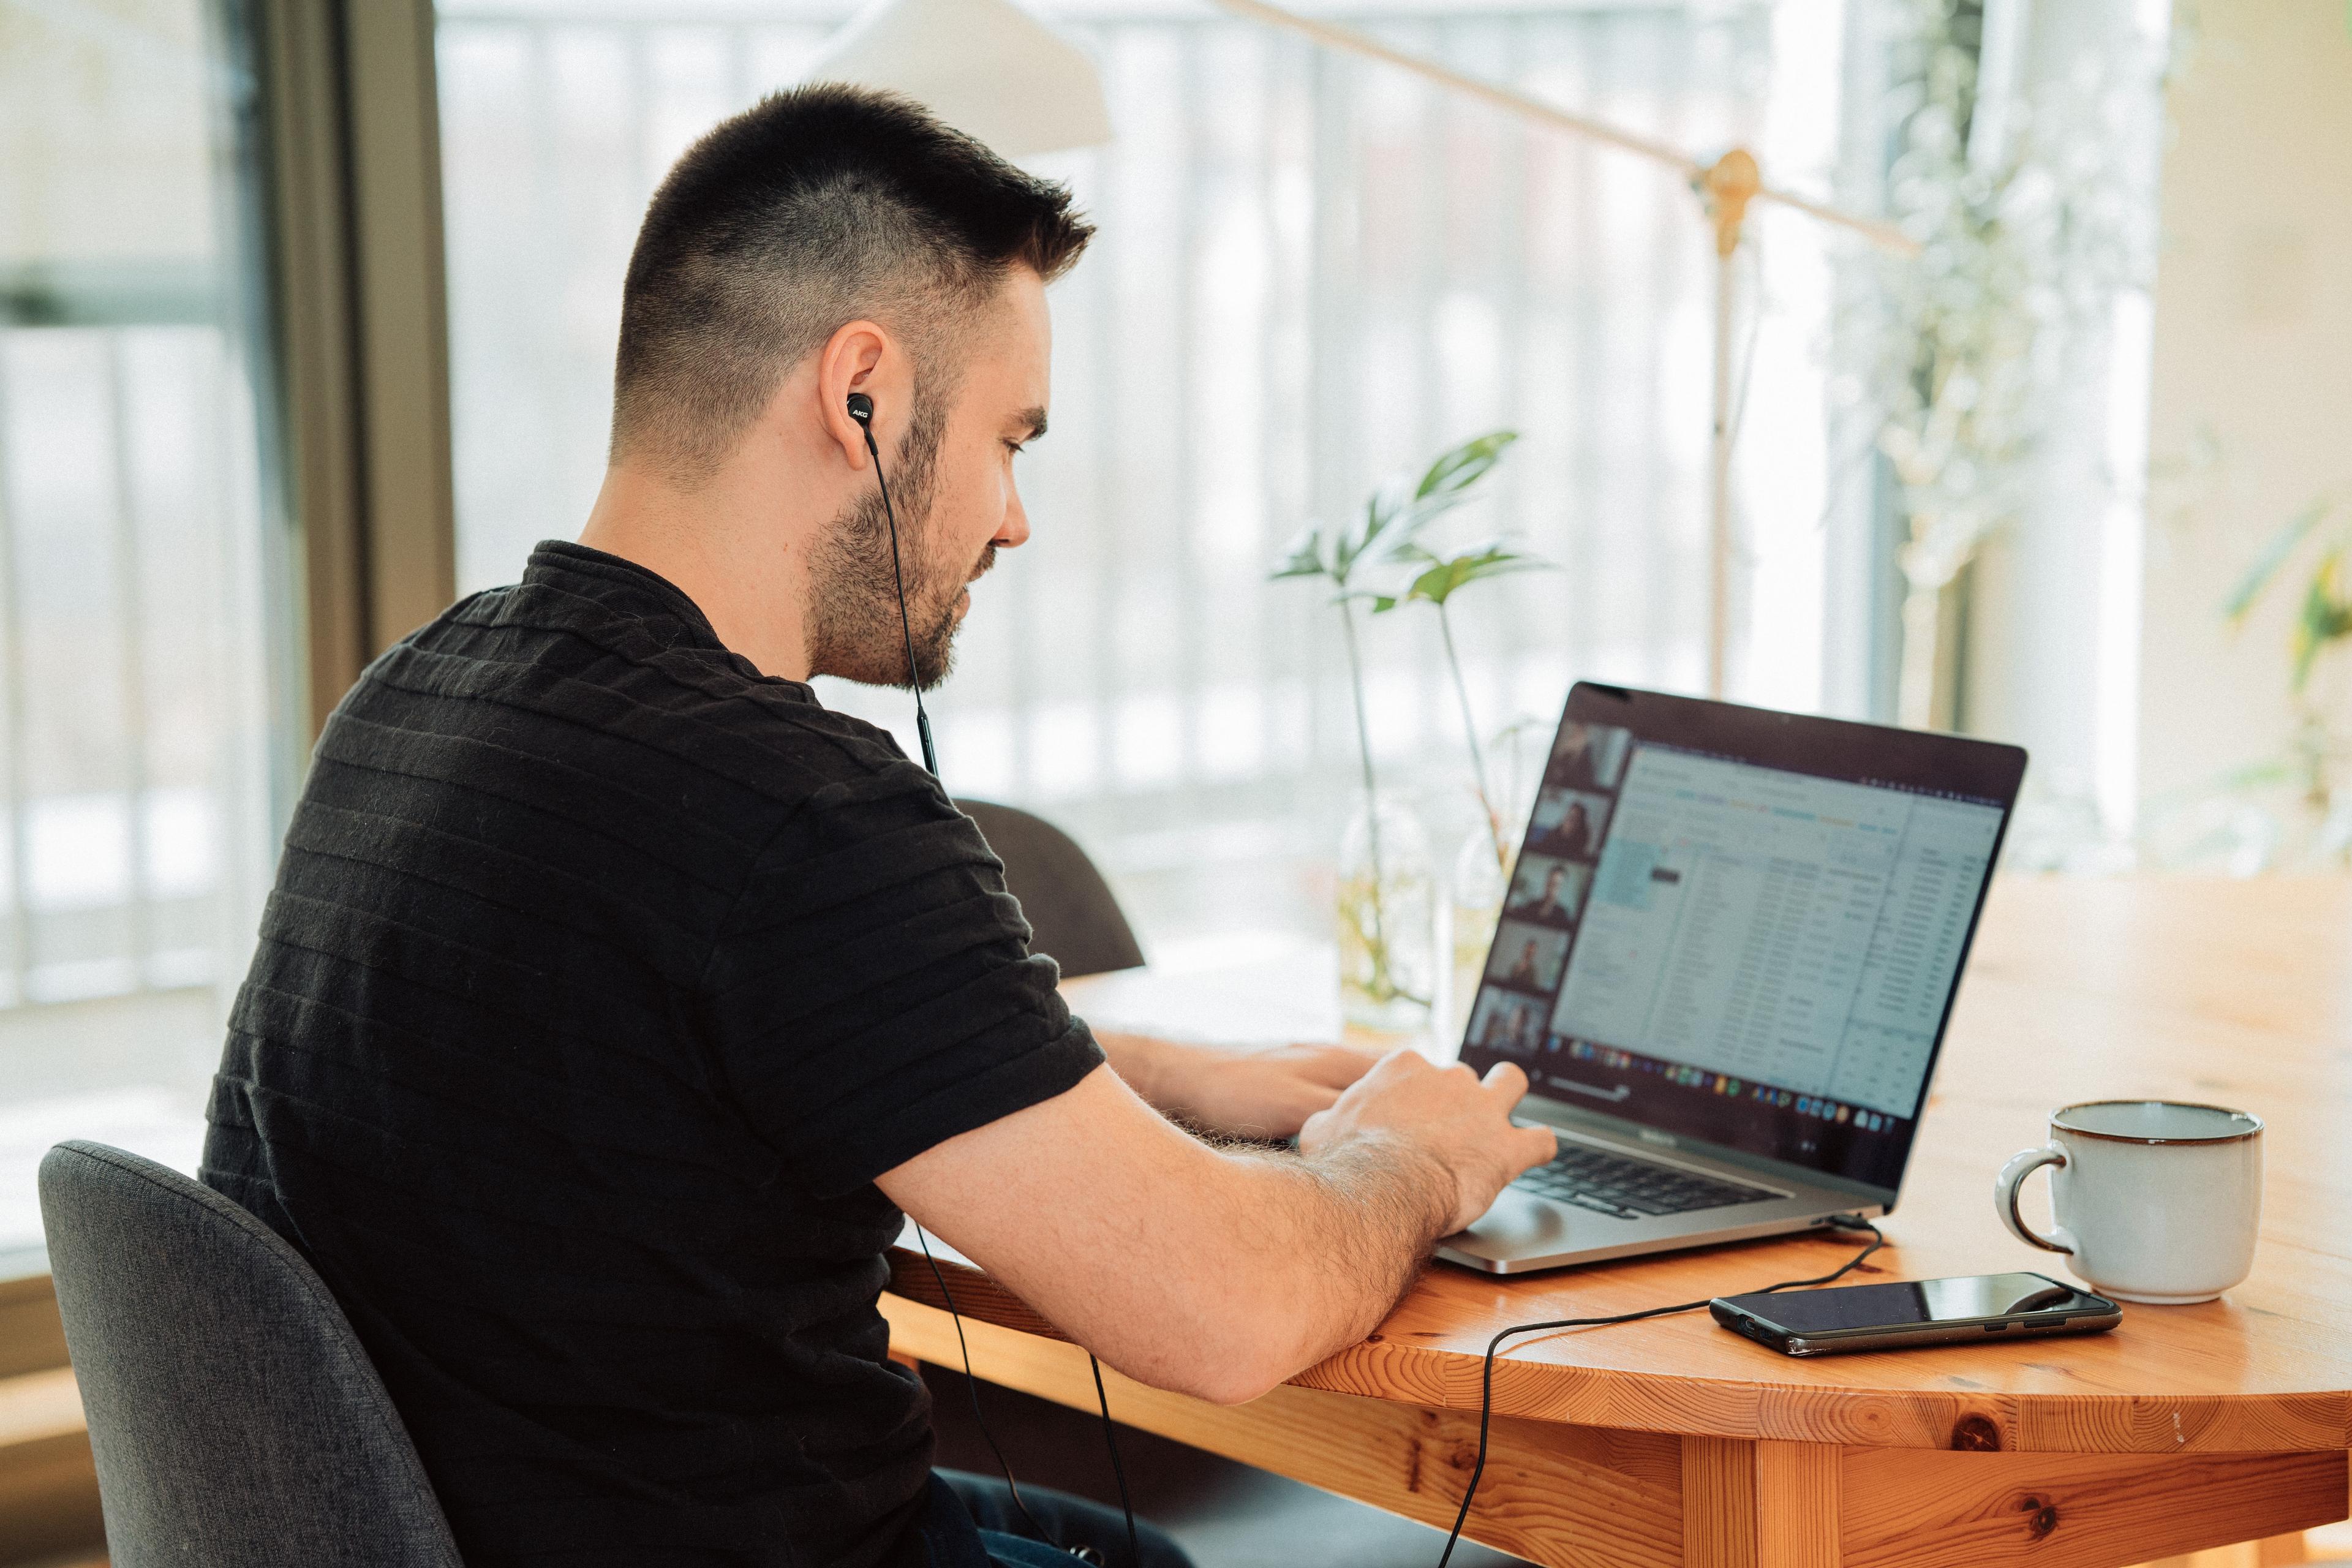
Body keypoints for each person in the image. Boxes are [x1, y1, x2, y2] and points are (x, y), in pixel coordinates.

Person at [199, 86, 1554, 1568]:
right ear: (866, 392)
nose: (1014, 516)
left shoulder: (416, 698)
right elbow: (1221, 1315)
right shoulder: (795, 808)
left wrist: (1158, 1076)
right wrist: (1410, 1157)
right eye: (1009, 439)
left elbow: (698, 1050)